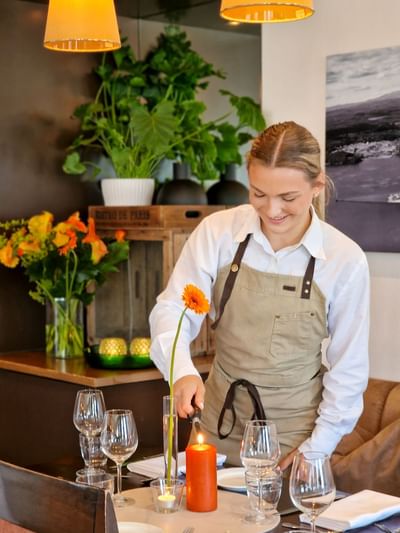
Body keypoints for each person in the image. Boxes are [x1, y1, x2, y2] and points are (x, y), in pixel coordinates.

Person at [149, 121, 370, 470]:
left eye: (288, 197)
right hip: (215, 430)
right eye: (259, 193)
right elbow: (174, 307)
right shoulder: (219, 232)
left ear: (316, 186)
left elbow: (349, 369)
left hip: (294, 444)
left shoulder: (344, 259)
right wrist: (181, 371)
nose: (272, 210)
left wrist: (317, 449)